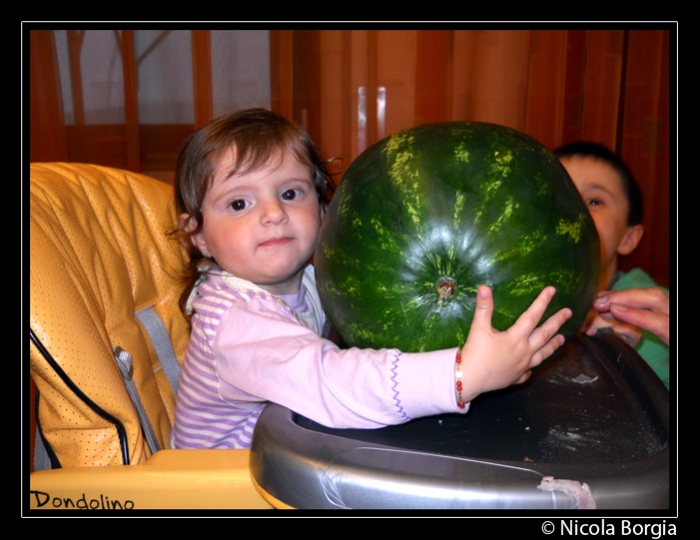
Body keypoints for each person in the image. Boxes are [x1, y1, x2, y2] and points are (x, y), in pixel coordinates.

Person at [170, 109, 571, 449]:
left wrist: (563, 314)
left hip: (283, 459)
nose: (273, 212)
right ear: (198, 234)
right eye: (239, 203)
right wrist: (463, 375)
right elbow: (331, 382)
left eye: (291, 193)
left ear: (324, 206)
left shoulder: (307, 279)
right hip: (226, 490)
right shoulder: (235, 323)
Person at [554, 142, 670, 387]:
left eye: (594, 201)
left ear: (629, 238)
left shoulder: (665, 318)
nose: (572, 210)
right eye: (557, 196)